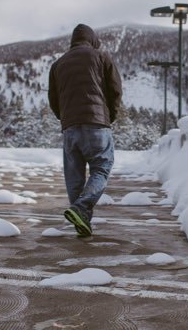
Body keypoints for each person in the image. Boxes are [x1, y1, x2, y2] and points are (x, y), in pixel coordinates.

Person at [48, 23, 122, 237]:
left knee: (74, 177)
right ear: (92, 39)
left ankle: (82, 221)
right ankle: (81, 209)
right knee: (101, 168)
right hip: (97, 124)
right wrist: (110, 117)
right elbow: (115, 90)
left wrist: (66, 119)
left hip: (70, 128)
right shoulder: (101, 56)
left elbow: (53, 99)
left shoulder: (58, 64)